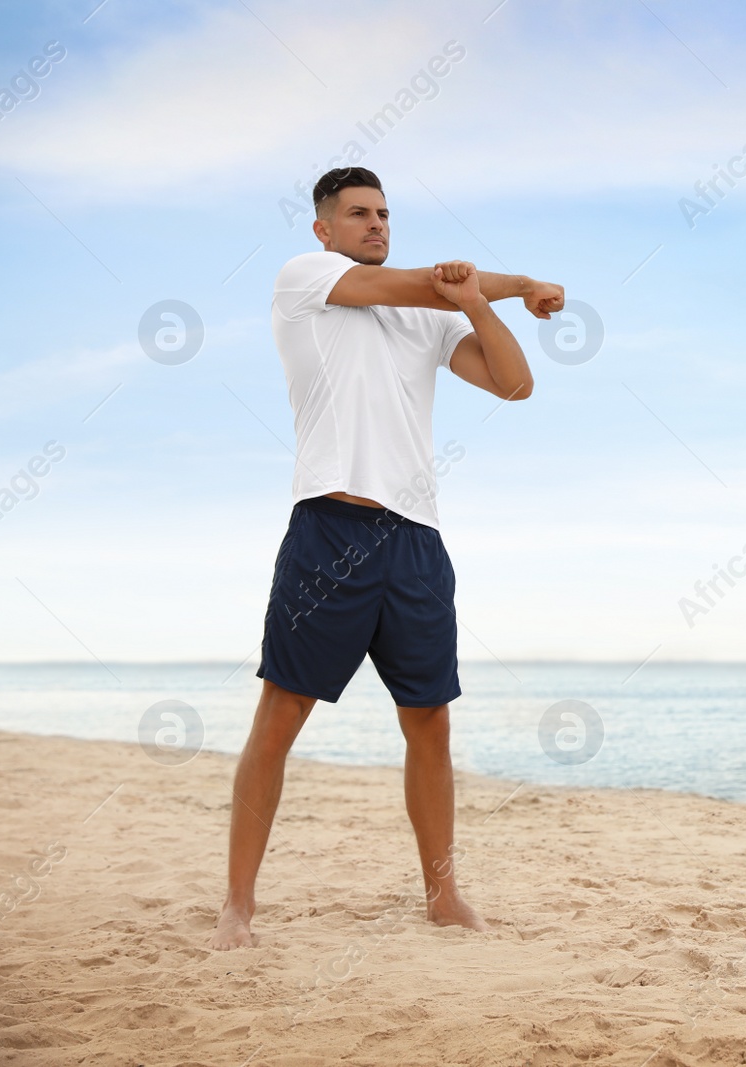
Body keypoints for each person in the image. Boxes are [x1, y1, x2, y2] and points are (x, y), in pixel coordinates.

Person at [210, 167, 563, 950]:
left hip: (416, 540)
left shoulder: (429, 318)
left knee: (430, 721)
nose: (375, 224)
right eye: (358, 214)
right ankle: (238, 904)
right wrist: (517, 283)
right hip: (329, 525)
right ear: (324, 230)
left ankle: (442, 896)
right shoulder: (305, 281)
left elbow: (516, 384)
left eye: (384, 214)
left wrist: (481, 298)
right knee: (281, 715)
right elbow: (418, 283)